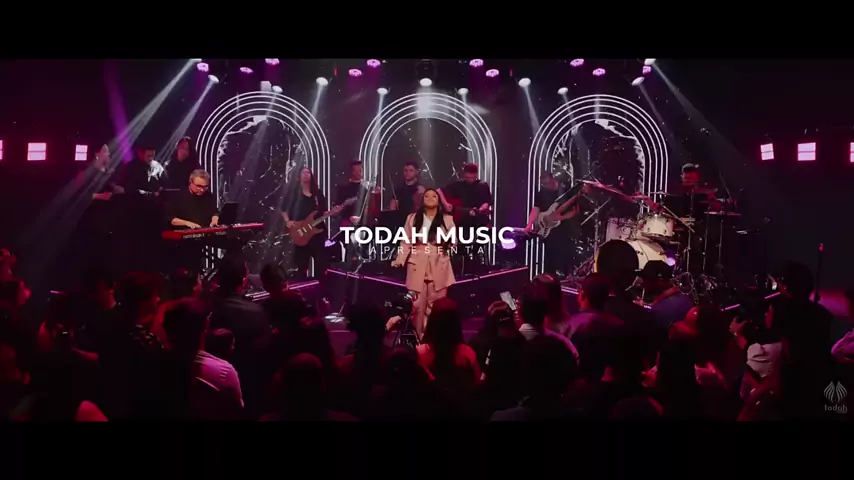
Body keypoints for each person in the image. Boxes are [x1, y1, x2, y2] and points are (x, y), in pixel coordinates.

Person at [391, 188, 456, 339]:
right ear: (422, 199)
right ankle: (418, 340)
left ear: (439, 200)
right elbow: (406, 242)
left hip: (439, 264)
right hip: (417, 264)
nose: (430, 198)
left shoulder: (447, 220)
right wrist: (400, 260)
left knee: (436, 307)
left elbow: (453, 242)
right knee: (417, 307)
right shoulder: (412, 218)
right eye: (427, 196)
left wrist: (448, 243)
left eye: (434, 196)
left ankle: (433, 340)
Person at [281, 167, 341, 297]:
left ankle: (321, 294)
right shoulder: (294, 194)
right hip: (301, 232)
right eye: (304, 172)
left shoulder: (317, 194)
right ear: (298, 177)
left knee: (321, 264)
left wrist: (333, 212)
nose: (306, 174)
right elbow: (283, 209)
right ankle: (300, 294)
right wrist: (288, 221)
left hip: (318, 233)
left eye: (308, 172)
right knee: (301, 265)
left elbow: (323, 212)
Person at [525, 172, 586, 277]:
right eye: (543, 184)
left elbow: (574, 211)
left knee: (566, 259)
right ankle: (550, 280)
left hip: (565, 230)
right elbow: (536, 209)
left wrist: (564, 217)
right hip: (548, 231)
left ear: (553, 179)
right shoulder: (541, 193)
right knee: (550, 261)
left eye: (547, 183)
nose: (545, 186)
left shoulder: (565, 190)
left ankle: (568, 279)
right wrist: (529, 224)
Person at [437, 163, 492, 271]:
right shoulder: (458, 184)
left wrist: (482, 208)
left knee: (485, 234)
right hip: (463, 221)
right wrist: (445, 204)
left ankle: (477, 260)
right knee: (461, 243)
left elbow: (487, 201)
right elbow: (439, 191)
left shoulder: (482, 186)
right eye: (467, 177)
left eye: (472, 178)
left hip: (479, 221)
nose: (469, 180)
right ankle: (461, 265)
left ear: (476, 175)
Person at [165, 169, 219, 272]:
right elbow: (171, 218)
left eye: (205, 187)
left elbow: (215, 212)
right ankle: (194, 276)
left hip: (206, 233)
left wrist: (215, 219)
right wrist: (188, 223)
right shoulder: (178, 197)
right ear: (190, 182)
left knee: (234, 245)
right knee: (192, 249)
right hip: (186, 238)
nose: (202, 190)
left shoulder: (209, 196)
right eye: (199, 186)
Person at [640, 260, 694, 329]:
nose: (643, 283)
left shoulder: (660, 311)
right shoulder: (684, 299)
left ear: (660, 281)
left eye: (647, 279)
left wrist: (640, 311)